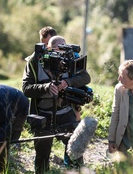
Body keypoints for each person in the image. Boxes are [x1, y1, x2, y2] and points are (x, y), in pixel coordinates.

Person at [22, 35, 91, 174]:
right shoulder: (35, 61)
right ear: (48, 48)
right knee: (42, 154)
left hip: (66, 112)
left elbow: (85, 77)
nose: (60, 53)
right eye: (56, 49)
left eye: (62, 49)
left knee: (75, 149)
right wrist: (46, 87)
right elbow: (26, 88)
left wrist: (68, 82)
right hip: (43, 115)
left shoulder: (71, 58)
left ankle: (74, 171)